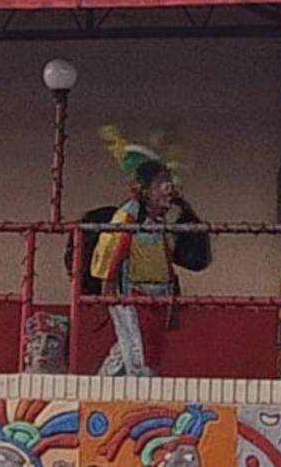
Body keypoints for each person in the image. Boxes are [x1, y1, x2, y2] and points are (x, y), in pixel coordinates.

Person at [89, 130, 210, 377]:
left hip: (159, 294)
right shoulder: (128, 216)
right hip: (133, 292)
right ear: (144, 190)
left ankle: (103, 384)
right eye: (160, 183)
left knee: (138, 348)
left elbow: (187, 253)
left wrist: (184, 211)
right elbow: (112, 248)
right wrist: (108, 286)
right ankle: (139, 393)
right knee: (139, 351)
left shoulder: (163, 220)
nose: (168, 188)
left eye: (169, 182)